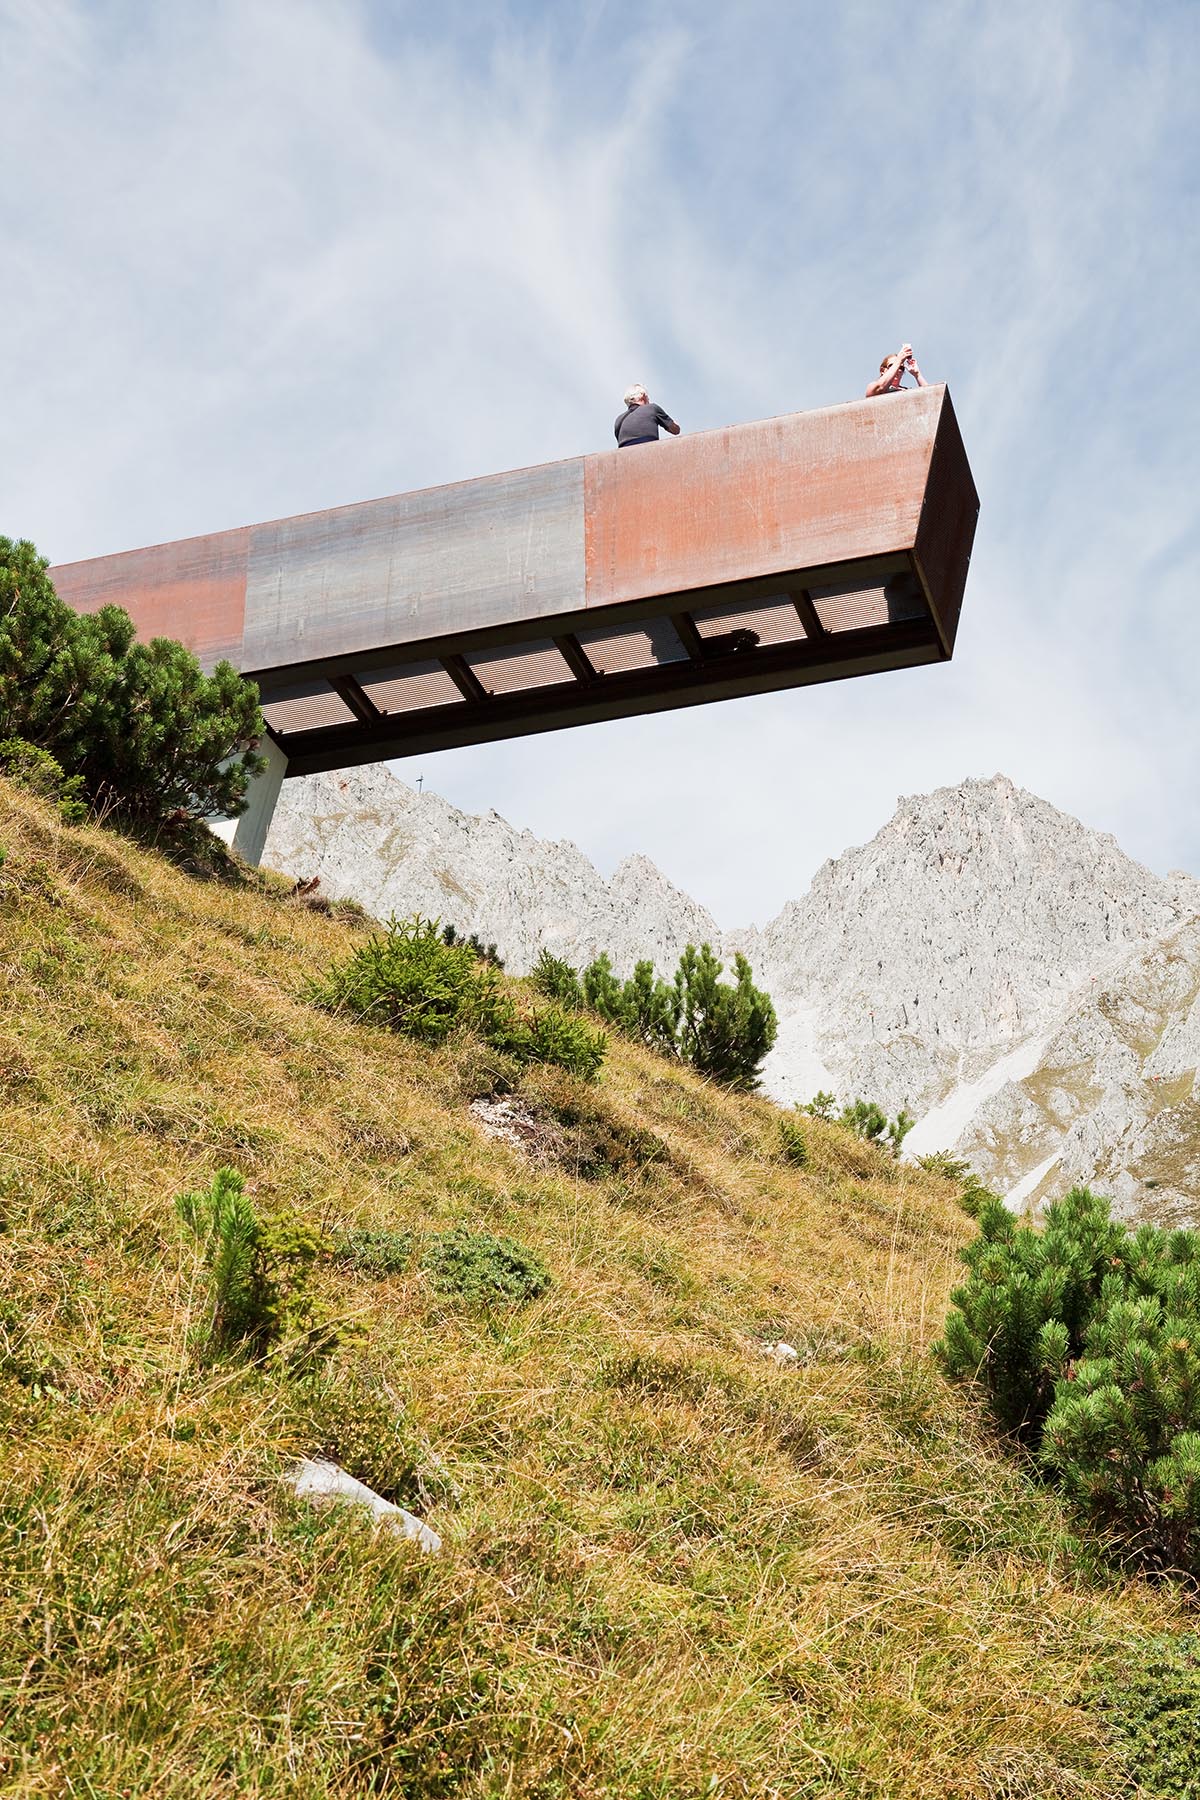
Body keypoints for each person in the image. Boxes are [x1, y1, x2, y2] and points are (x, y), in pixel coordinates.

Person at [614, 384, 680, 447]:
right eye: (648, 397)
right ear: (643, 396)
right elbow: (676, 430)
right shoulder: (652, 408)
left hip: (625, 455)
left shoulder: (618, 420)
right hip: (649, 451)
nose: (648, 400)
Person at [865, 343, 929, 398]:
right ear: (882, 370)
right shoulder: (877, 387)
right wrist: (899, 360)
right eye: (892, 365)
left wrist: (917, 375)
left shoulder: (907, 391)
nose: (898, 370)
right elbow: (874, 390)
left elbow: (931, 396)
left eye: (901, 367)